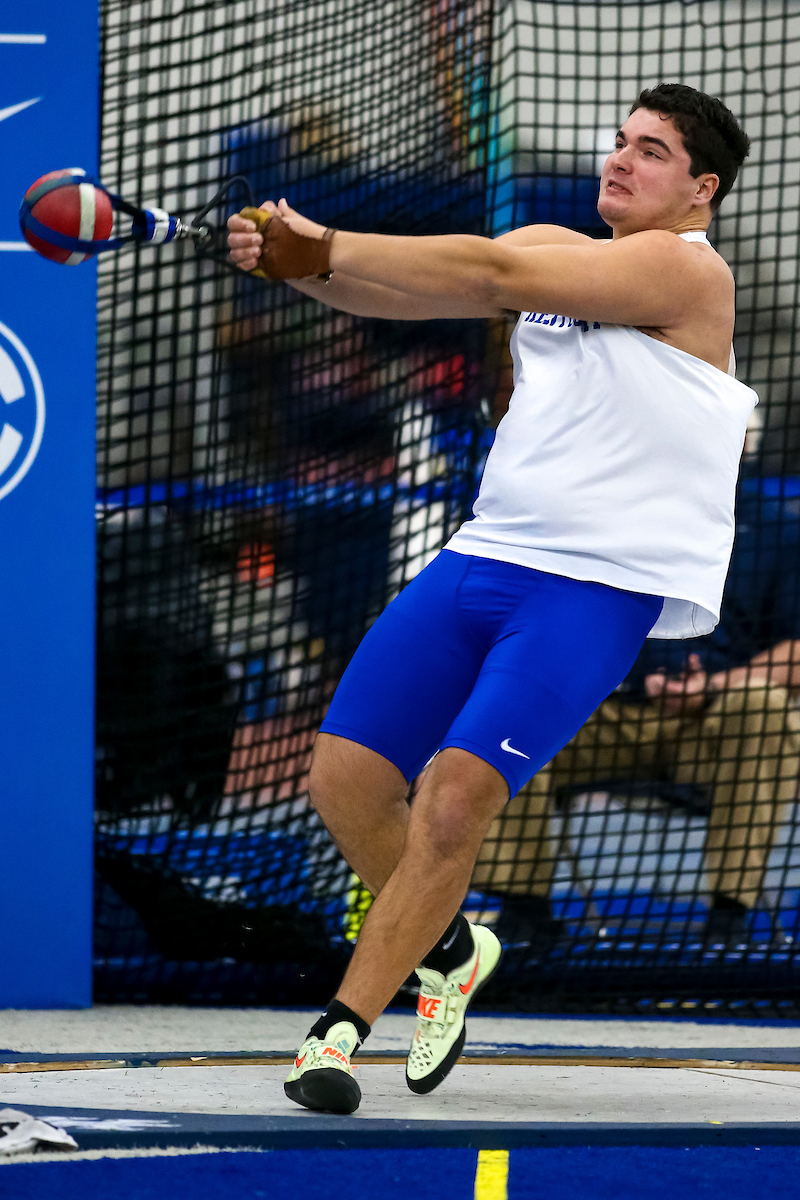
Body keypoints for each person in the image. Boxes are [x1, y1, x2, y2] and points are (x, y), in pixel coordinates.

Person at [228, 82, 753, 1114]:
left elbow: (486, 266)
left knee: (457, 793)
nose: (618, 159)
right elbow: (412, 294)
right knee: (340, 778)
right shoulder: (569, 252)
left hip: (592, 591)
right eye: (617, 140)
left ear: (700, 191)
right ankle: (451, 949)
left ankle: (338, 1035)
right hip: (482, 560)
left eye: (648, 151)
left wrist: (324, 239)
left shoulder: (683, 273)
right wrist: (304, 273)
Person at [473, 481, 800, 950]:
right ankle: (526, 917)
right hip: (600, 714)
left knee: (764, 707)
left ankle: (729, 922)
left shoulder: (778, 528)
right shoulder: (596, 512)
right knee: (512, 710)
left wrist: (710, 686)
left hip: (712, 727)